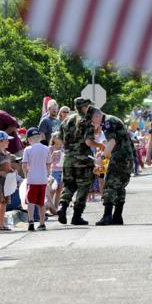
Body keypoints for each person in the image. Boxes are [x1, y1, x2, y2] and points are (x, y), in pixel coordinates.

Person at [57, 97, 95, 226]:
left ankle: (62, 207)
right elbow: (88, 141)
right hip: (83, 160)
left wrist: (70, 148)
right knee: (83, 187)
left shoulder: (66, 121)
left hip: (68, 158)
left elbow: (59, 139)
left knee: (69, 185)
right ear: (84, 107)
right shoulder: (86, 121)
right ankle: (76, 216)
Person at [94, 110, 133, 226]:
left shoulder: (107, 122)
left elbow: (112, 142)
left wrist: (102, 158)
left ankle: (107, 216)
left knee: (109, 185)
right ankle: (117, 216)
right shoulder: (113, 119)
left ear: (97, 116)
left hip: (119, 157)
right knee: (120, 186)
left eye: (92, 120)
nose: (93, 123)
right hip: (127, 156)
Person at [21, 127, 51, 231]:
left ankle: (31, 221)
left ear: (29, 139)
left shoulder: (28, 149)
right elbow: (48, 164)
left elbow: (24, 165)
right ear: (40, 137)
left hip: (32, 179)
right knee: (41, 202)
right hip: (43, 179)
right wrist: (47, 175)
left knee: (31, 202)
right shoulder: (46, 149)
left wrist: (26, 175)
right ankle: (42, 223)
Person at [0, 131, 15, 230]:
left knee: (4, 203)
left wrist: (12, 170)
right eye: (6, 140)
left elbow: (8, 166)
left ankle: (2, 223)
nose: (8, 142)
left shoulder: (8, 154)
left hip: (7, 182)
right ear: (0, 141)